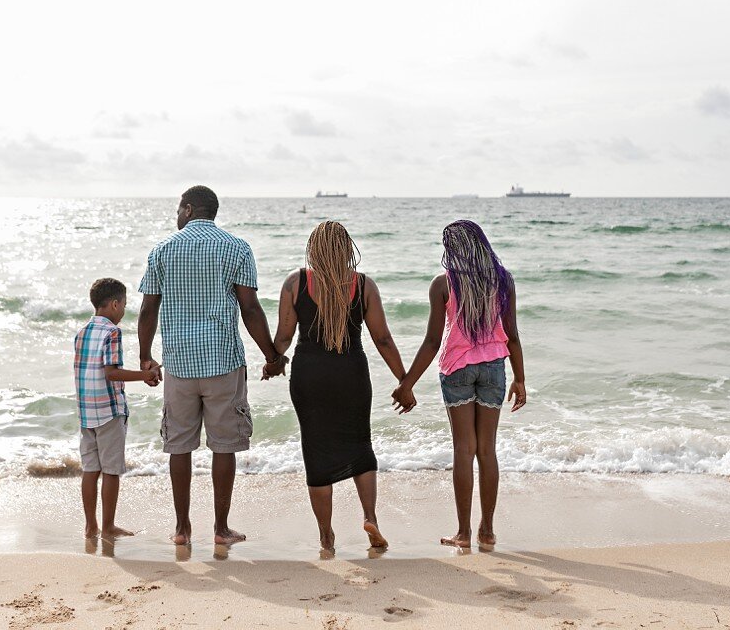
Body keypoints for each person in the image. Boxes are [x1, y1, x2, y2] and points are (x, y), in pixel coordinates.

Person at [136, 185, 286, 546]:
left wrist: (145, 357)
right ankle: (220, 529)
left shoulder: (163, 251)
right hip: (222, 361)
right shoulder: (237, 247)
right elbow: (249, 308)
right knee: (224, 446)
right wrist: (272, 356)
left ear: (188, 209)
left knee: (179, 446)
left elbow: (147, 310)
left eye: (178, 209)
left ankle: (182, 529)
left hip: (179, 363)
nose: (176, 216)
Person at [263, 221, 407, 553]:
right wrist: (404, 380)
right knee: (360, 445)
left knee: (316, 450)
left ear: (313, 248)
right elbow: (382, 339)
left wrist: (272, 362)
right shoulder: (363, 285)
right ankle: (370, 516)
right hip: (351, 374)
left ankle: (326, 535)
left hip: (309, 375)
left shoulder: (295, 283)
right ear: (346, 248)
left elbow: (283, 338)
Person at [392, 220, 526, 549]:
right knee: (487, 451)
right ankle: (488, 531)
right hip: (494, 368)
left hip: (457, 369)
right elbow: (513, 335)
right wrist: (520, 378)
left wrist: (407, 383)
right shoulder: (502, 280)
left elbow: (431, 341)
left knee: (464, 452)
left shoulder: (443, 284)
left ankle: (464, 533)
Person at [74, 277, 159, 539]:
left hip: (86, 411)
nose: (123, 310)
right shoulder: (112, 332)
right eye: (123, 305)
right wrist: (144, 376)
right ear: (113, 304)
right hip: (109, 410)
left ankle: (91, 526)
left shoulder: (82, 331)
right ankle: (108, 526)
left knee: (91, 469)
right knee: (111, 470)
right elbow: (112, 373)